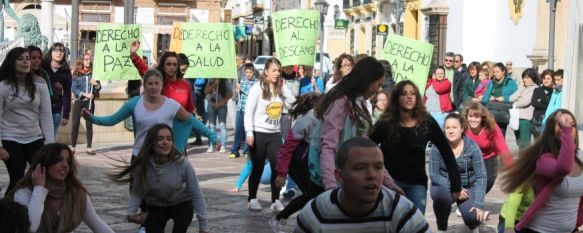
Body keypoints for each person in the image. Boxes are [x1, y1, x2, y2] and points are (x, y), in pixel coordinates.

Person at [295, 138, 430, 233]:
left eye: (378, 167)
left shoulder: (401, 211)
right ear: (340, 176)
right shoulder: (316, 213)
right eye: (360, 168)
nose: (371, 175)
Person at [370, 80, 461, 214]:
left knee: (416, 224)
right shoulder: (386, 123)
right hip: (390, 183)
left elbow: (446, 151)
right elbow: (368, 147)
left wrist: (456, 183)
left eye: (412, 93)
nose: (409, 97)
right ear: (396, 98)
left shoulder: (427, 122)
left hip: (416, 184)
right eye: (404, 94)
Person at [313, 57, 401, 195]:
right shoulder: (340, 102)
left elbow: (367, 147)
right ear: (368, 80)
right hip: (335, 183)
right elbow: (328, 147)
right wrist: (330, 187)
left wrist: (389, 183)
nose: (378, 91)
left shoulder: (358, 103)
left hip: (347, 180)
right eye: (378, 85)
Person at [84, 69, 216, 158]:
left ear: (161, 85)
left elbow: (192, 120)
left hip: (163, 157)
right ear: (144, 85)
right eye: (150, 83)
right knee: (137, 196)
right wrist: (92, 118)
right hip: (140, 156)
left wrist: (212, 136)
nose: (153, 86)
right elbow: (112, 119)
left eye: (156, 83)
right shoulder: (134, 103)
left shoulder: (171, 105)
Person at [108, 124, 209, 233]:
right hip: (155, 206)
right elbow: (137, 191)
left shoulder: (183, 164)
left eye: (169, 139)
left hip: (181, 204)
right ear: (151, 143)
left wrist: (204, 226)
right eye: (160, 139)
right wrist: (131, 214)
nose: (165, 142)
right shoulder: (142, 165)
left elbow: (196, 193)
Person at [501, 109, 583, 232]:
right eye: (562, 124)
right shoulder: (544, 159)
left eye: (572, 125)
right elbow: (564, 168)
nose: (569, 128)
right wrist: (508, 227)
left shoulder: (581, 157)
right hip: (539, 230)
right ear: (551, 130)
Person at [8, 143, 114, 233]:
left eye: (68, 161)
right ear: (44, 164)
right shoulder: (25, 192)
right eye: (59, 160)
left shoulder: (76, 193)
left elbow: (97, 224)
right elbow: (31, 228)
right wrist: (39, 188)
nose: (65, 165)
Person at [0, 47, 54, 195]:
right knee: (17, 179)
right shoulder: (3, 86)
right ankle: (8, 212)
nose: (25, 61)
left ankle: (36, 212)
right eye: (20, 59)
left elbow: (46, 115)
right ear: (12, 62)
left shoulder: (40, 85)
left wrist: (49, 144)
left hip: (34, 137)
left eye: (27, 59)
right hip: (10, 137)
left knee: (42, 177)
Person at [244, 58, 295, 212]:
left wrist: (285, 89)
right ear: (266, 71)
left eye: (279, 70)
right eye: (274, 70)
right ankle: (252, 198)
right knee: (258, 167)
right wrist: (249, 132)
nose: (277, 73)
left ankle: (275, 200)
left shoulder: (280, 88)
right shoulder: (257, 88)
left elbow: (293, 104)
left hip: (275, 134)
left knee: (277, 168)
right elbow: (248, 112)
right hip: (258, 133)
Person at [270, 93, 321, 231]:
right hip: (297, 163)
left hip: (311, 163)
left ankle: (311, 222)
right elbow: (287, 148)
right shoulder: (306, 120)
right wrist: (281, 173)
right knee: (311, 195)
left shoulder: (323, 117)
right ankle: (279, 218)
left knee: (316, 195)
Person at [429, 113, 487, 233]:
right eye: (447, 128)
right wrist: (455, 188)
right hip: (444, 185)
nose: (450, 131)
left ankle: (474, 226)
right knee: (441, 198)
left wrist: (479, 204)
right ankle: (441, 228)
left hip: (467, 187)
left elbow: (481, 176)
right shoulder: (437, 146)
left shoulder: (472, 147)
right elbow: (434, 174)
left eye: (454, 127)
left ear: (462, 129)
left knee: (473, 216)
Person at [129, 41, 194, 113]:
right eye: (168, 64)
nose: (172, 67)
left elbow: (190, 110)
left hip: (181, 123)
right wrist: (133, 55)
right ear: (163, 66)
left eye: (174, 65)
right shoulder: (158, 82)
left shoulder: (185, 85)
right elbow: (144, 70)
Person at [462, 102, 513, 193]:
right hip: (469, 157)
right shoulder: (462, 127)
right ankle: (466, 203)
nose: (473, 120)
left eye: (477, 117)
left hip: (488, 157)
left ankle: (475, 200)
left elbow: (503, 148)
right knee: (467, 182)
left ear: (482, 118)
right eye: (471, 116)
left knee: (487, 182)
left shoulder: (491, 127)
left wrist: (513, 169)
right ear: (466, 116)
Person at [71, 53, 101, 155]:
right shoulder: (77, 73)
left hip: (89, 102)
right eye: (86, 59)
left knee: (89, 124)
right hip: (79, 101)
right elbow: (73, 88)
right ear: (82, 61)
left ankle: (89, 147)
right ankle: (73, 147)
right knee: (75, 124)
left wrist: (96, 84)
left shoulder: (94, 73)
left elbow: (99, 87)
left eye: (90, 59)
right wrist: (84, 94)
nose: (89, 61)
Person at [42, 43, 72, 136]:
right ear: (51, 52)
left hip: (56, 111)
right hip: (41, 110)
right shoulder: (43, 68)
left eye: (62, 51)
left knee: (51, 138)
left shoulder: (66, 72)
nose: (59, 53)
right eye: (56, 50)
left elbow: (67, 94)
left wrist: (66, 115)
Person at [481, 62, 518, 137]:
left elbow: (516, 96)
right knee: (490, 137)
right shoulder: (491, 83)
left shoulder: (511, 83)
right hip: (491, 113)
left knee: (500, 136)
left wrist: (505, 98)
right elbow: (484, 98)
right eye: (494, 72)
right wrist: (488, 98)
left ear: (503, 71)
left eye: (497, 72)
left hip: (503, 113)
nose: (495, 74)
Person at [230, 63, 257, 158]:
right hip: (240, 108)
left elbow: (251, 93)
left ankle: (246, 151)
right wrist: (237, 89)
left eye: (250, 72)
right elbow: (237, 93)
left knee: (248, 130)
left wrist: (240, 88)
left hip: (249, 110)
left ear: (254, 72)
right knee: (238, 130)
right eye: (246, 72)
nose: (248, 74)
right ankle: (234, 150)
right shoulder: (242, 81)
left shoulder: (256, 82)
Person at [509, 68, 538, 149]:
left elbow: (525, 102)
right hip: (516, 118)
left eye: (528, 77)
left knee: (524, 144)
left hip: (526, 119)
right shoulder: (522, 87)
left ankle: (525, 160)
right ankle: (521, 159)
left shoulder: (535, 89)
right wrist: (521, 90)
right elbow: (511, 98)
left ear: (533, 78)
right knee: (519, 142)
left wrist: (516, 102)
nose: (525, 79)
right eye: (524, 77)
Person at [205, 79, 233, 153]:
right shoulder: (210, 79)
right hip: (211, 105)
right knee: (211, 126)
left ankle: (223, 146)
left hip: (222, 105)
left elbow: (230, 94)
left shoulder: (226, 80)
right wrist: (214, 83)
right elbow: (206, 91)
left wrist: (222, 102)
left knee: (222, 125)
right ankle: (211, 145)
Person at [530, 69, 554, 138]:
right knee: (537, 143)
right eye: (544, 78)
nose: (545, 80)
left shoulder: (554, 92)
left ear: (552, 80)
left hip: (549, 120)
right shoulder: (537, 90)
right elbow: (534, 103)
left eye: (548, 79)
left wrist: (541, 101)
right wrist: (548, 105)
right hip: (538, 120)